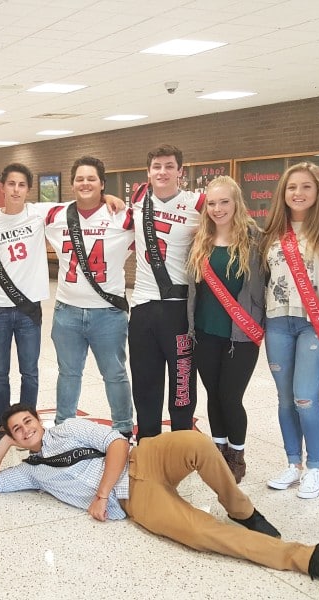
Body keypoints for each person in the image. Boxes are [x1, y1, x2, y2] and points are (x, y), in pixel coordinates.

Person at [0, 403, 319, 591]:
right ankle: (306, 557)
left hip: (144, 457)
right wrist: (3, 444)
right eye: (17, 430)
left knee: (198, 444)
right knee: (200, 533)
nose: (25, 429)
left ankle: (242, 511)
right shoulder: (32, 471)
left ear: (38, 419)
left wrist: (100, 495)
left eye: (27, 421)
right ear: (14, 439)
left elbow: (116, 443)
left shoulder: (69, 427)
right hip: (134, 498)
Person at [260, 162, 319, 499]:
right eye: (292, 187)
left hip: (317, 321)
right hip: (278, 321)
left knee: (305, 397)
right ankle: (292, 463)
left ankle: (315, 467)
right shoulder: (271, 231)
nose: (298, 193)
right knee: (285, 399)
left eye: (306, 186)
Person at [43, 156, 134, 437]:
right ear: (71, 184)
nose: (85, 183)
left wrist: (111, 200)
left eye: (91, 178)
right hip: (67, 311)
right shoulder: (55, 215)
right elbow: (18, 211)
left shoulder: (122, 217)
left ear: (102, 183)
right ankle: (63, 429)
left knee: (115, 373)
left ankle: (123, 430)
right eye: (80, 179)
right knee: (68, 373)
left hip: (108, 312)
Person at [187, 176, 265, 482]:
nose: (217, 209)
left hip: (241, 335)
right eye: (212, 203)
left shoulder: (256, 240)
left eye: (224, 202)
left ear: (237, 203)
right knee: (213, 395)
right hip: (205, 332)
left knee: (230, 397)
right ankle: (218, 450)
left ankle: (237, 455)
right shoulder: (200, 240)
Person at [130, 144, 204, 441]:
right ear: (148, 172)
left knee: (182, 382)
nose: (163, 172)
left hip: (179, 309)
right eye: (157, 166)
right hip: (143, 305)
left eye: (169, 166)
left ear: (180, 171)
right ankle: (148, 444)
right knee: (145, 382)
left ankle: (181, 442)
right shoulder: (137, 202)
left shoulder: (197, 203)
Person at [0, 163, 50, 445]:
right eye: (11, 184)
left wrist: (109, 197)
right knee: (0, 373)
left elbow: (79, 203)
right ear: (2, 187)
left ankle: (28, 425)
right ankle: (3, 424)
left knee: (29, 372)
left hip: (28, 309)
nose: (16, 190)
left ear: (28, 189)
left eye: (22, 185)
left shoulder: (39, 214)